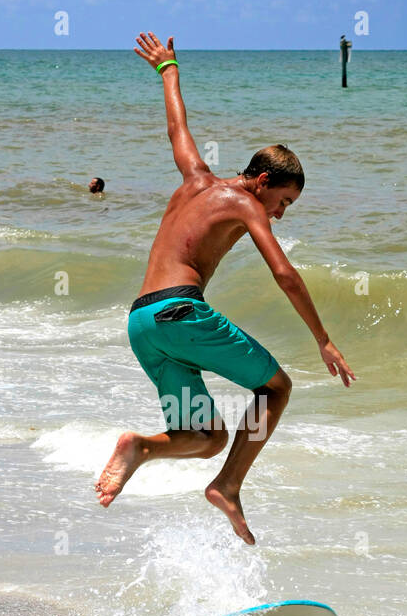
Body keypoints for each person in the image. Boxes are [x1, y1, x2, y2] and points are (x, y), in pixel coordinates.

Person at [95, 31, 354, 545]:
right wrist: (322, 338)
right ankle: (230, 487)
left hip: (144, 324)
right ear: (260, 181)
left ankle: (139, 447)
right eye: (281, 201)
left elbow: (178, 129)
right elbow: (283, 272)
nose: (278, 213)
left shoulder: (195, 180)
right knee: (276, 388)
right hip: (180, 313)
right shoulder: (246, 204)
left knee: (206, 436)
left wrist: (167, 68)